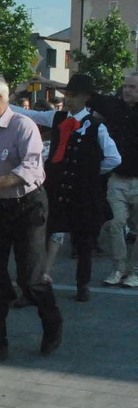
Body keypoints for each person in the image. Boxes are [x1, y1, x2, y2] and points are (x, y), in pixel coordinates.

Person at [0, 75, 62, 364]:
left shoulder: (23, 126)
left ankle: (52, 322)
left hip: (27, 207)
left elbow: (32, 168)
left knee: (30, 279)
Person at [10, 74, 121, 301]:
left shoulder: (96, 126)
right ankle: (34, 286)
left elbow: (113, 158)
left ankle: (83, 285)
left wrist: (90, 172)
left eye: (75, 95)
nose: (69, 99)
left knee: (84, 242)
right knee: (40, 237)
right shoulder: (57, 117)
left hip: (83, 193)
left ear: (86, 98)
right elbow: (30, 114)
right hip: (56, 189)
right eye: (68, 95)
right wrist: (4, 102)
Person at [87, 73, 138, 287]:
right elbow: (87, 95)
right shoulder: (114, 106)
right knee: (115, 224)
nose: (127, 90)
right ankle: (118, 268)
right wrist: (47, 83)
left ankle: (135, 271)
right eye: (125, 86)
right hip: (117, 178)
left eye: (133, 87)